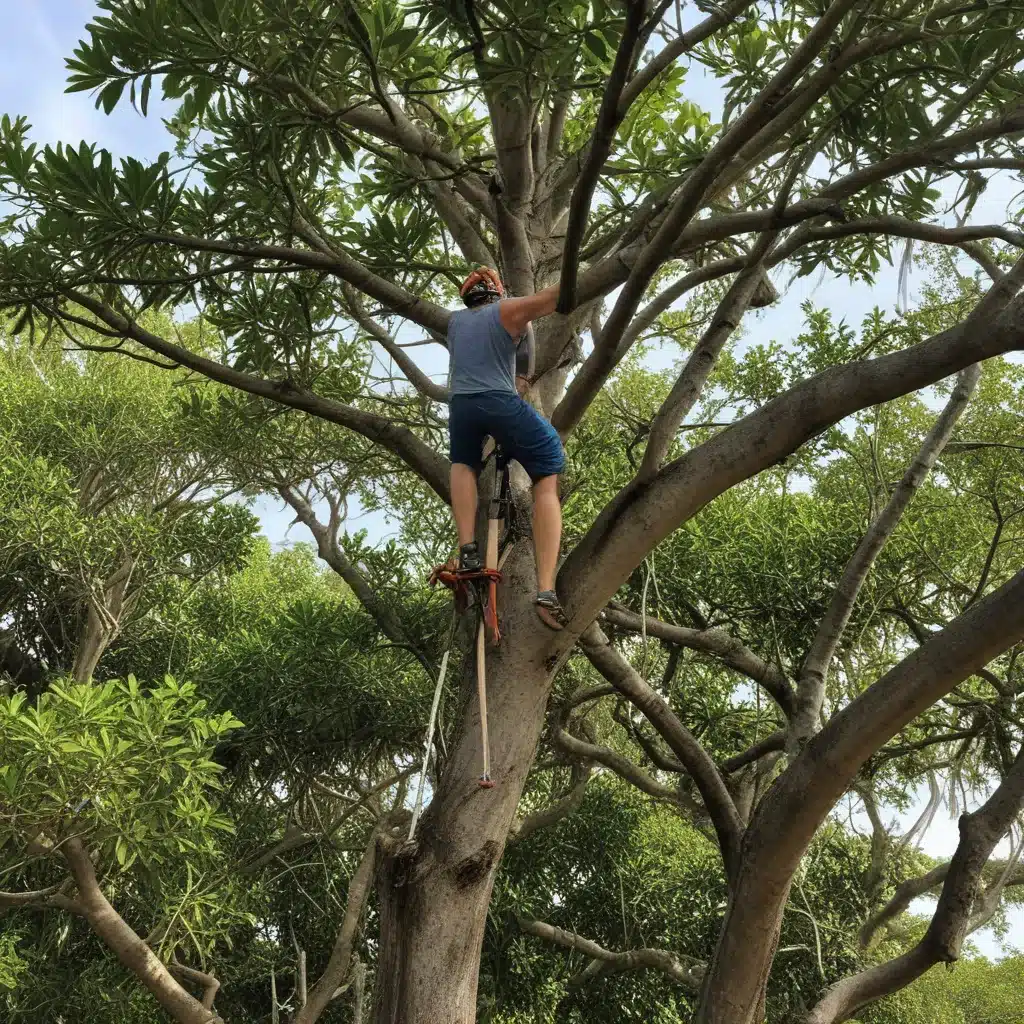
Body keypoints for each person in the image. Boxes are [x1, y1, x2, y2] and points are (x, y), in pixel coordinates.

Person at [446, 266, 566, 629]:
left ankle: (467, 550)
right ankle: (546, 589)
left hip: (461, 406)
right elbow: (550, 300)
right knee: (548, 469)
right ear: (496, 292)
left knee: (463, 463)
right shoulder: (507, 310)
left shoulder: (454, 323)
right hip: (497, 401)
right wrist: (580, 273)